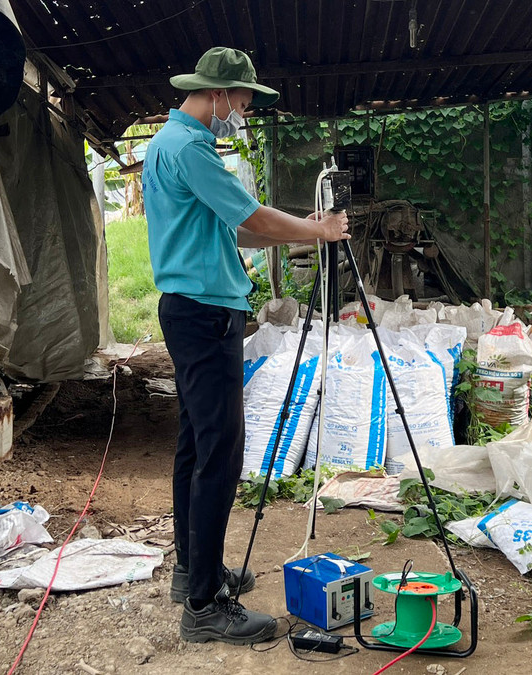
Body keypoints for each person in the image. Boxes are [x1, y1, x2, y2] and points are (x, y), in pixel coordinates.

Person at [142, 46, 350, 645]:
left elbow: (230, 226)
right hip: (206, 312)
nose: (245, 112)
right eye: (242, 101)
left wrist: (287, 230)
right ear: (217, 96)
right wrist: (316, 230)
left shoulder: (167, 144)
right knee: (221, 455)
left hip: (189, 307)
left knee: (195, 446)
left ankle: (193, 573)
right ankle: (204, 607)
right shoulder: (190, 149)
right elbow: (254, 218)